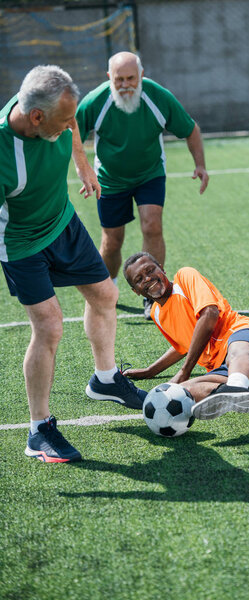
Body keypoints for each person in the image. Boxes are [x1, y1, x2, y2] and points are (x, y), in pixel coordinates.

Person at [0, 65, 146, 464]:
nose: (71, 126)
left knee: (105, 294)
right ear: (35, 118)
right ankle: (39, 429)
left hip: (62, 222)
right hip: (21, 241)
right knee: (48, 326)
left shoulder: (55, 111)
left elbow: (72, 123)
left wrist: (82, 161)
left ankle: (105, 380)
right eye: (64, 122)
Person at [75, 51, 209, 319]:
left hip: (150, 173)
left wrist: (200, 165)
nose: (125, 85)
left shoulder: (158, 97)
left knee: (152, 225)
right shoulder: (95, 101)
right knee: (112, 241)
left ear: (142, 76)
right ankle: (107, 287)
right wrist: (84, 169)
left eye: (130, 79)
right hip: (110, 179)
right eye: (119, 79)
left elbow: (190, 129)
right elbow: (72, 133)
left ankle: (153, 296)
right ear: (109, 78)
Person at [123, 252, 249, 420]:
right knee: (183, 392)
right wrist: (150, 371)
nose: (147, 278)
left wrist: (185, 371)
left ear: (162, 268)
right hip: (224, 370)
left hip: (244, 337)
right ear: (135, 291)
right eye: (139, 279)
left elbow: (210, 314)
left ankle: (235, 387)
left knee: (236, 353)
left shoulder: (185, 276)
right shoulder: (157, 314)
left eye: (150, 270)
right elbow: (183, 345)